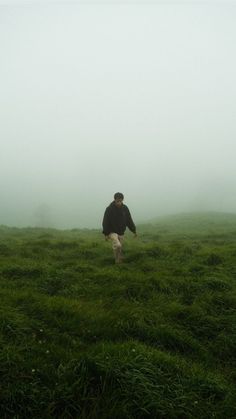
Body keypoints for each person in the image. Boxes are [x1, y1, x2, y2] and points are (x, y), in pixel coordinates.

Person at [102, 192, 137, 263]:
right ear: (114, 200)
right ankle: (117, 261)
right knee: (118, 245)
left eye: (120, 201)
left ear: (122, 200)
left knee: (119, 248)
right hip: (112, 232)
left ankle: (118, 260)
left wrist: (134, 231)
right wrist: (106, 234)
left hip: (121, 231)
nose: (119, 203)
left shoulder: (125, 209)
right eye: (117, 201)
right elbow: (105, 221)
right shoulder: (109, 209)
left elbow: (129, 220)